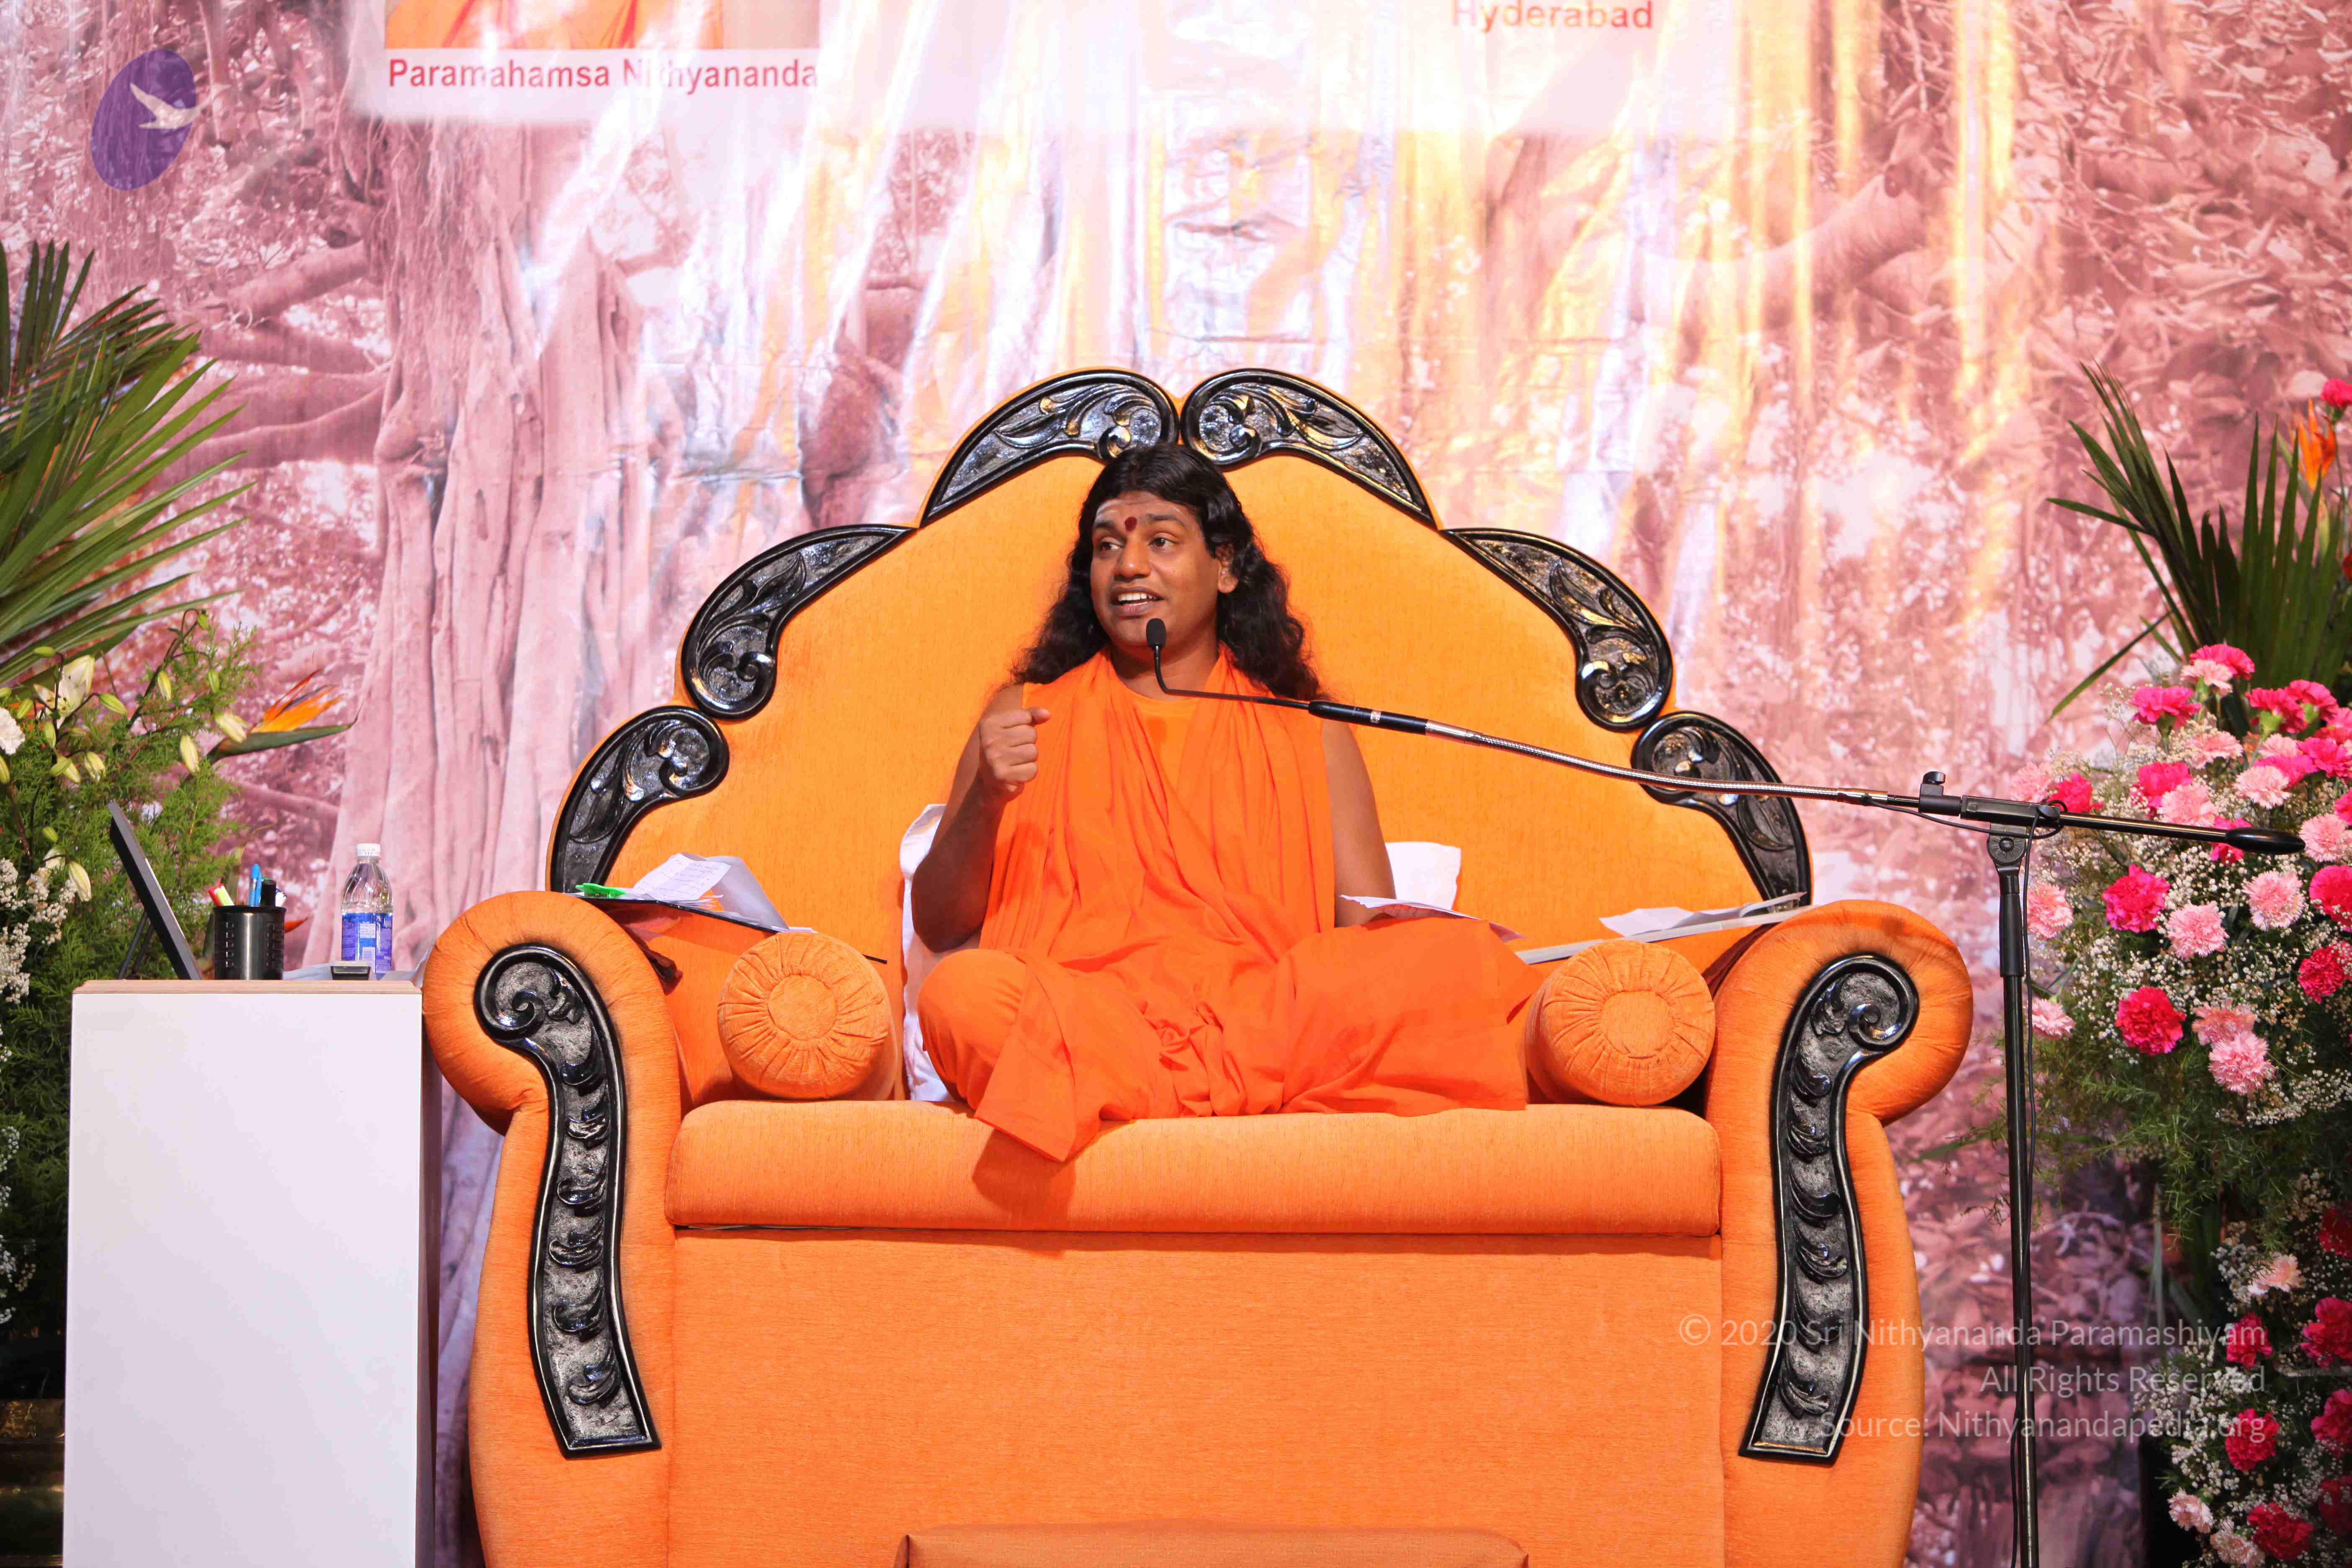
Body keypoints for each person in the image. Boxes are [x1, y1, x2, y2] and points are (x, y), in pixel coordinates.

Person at [910, 443, 1544, 1161]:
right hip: (1088, 1019)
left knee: (1445, 961)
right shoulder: (1026, 715)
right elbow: (938, 922)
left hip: (1258, 1021)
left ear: (1227, 566)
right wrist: (989, 799)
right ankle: (1227, 1101)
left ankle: (1120, 1098)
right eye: (1107, 546)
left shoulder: (1309, 733)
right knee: (962, 998)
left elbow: (1367, 937)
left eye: (1161, 541)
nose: (1128, 566)